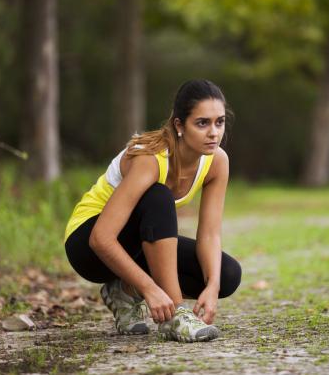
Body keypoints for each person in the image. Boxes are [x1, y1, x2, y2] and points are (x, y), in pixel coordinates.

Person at [64, 79, 242, 343]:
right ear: (179, 125)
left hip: (134, 244)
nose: (214, 133)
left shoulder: (217, 162)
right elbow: (100, 238)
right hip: (88, 245)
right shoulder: (151, 159)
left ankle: (124, 291)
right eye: (202, 123)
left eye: (220, 122)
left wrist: (213, 287)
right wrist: (151, 289)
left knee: (227, 274)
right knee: (159, 196)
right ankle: (176, 316)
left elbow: (209, 237)